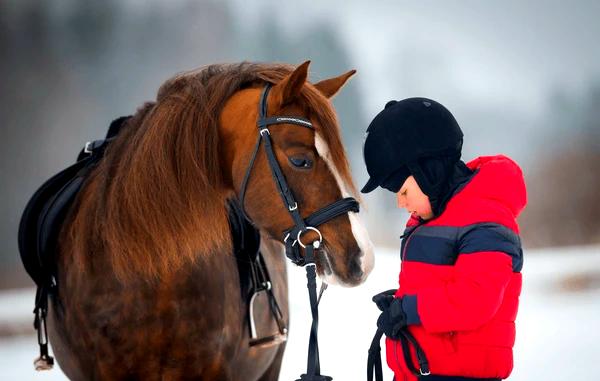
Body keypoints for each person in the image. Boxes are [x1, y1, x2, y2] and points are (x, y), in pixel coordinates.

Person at [361, 98, 527, 381]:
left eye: (402, 192)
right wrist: (400, 303)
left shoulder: (486, 219)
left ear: (429, 172)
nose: (401, 204)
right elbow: (441, 285)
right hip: (418, 373)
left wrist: (408, 309)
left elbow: (476, 298)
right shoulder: (432, 218)